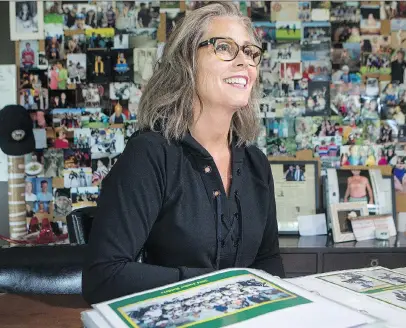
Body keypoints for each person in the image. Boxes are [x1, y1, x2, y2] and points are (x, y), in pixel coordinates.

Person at [82, 2, 284, 304]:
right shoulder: (149, 155)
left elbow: (269, 263)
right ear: (186, 60)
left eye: (251, 52)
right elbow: (103, 276)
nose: (244, 61)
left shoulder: (257, 163)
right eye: (225, 47)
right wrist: (219, 285)